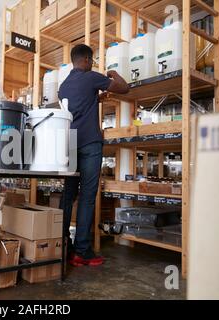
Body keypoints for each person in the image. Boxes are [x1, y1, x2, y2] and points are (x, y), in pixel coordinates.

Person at [59, 44, 129, 267]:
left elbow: (77, 106)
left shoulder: (63, 86)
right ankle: (82, 250)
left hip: (69, 145)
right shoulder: (91, 77)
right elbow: (124, 88)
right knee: (87, 196)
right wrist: (113, 73)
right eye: (92, 61)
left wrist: (96, 99)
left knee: (68, 196)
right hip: (89, 143)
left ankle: (63, 247)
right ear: (87, 60)